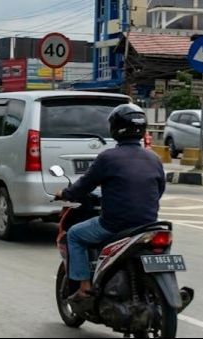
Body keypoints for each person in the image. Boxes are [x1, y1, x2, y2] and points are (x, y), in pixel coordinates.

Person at [54, 103, 165, 302]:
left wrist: (65, 193)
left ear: (115, 128)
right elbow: (159, 190)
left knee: (74, 235)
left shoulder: (108, 158)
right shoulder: (154, 158)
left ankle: (84, 287)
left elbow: (83, 187)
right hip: (148, 225)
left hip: (114, 225)